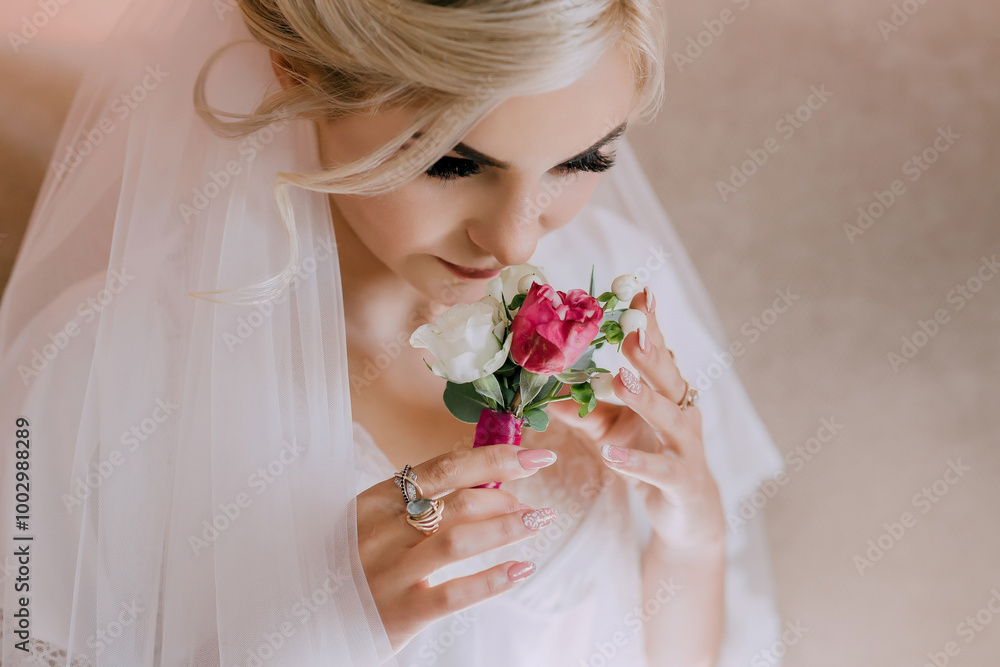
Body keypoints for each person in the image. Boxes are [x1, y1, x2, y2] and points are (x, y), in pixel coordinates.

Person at [0, 1, 785, 665]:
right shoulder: (103, 373)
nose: (515, 239)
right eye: (451, 164)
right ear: (295, 69)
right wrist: (309, 635)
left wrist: (694, 539)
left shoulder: (615, 286)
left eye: (582, 160)